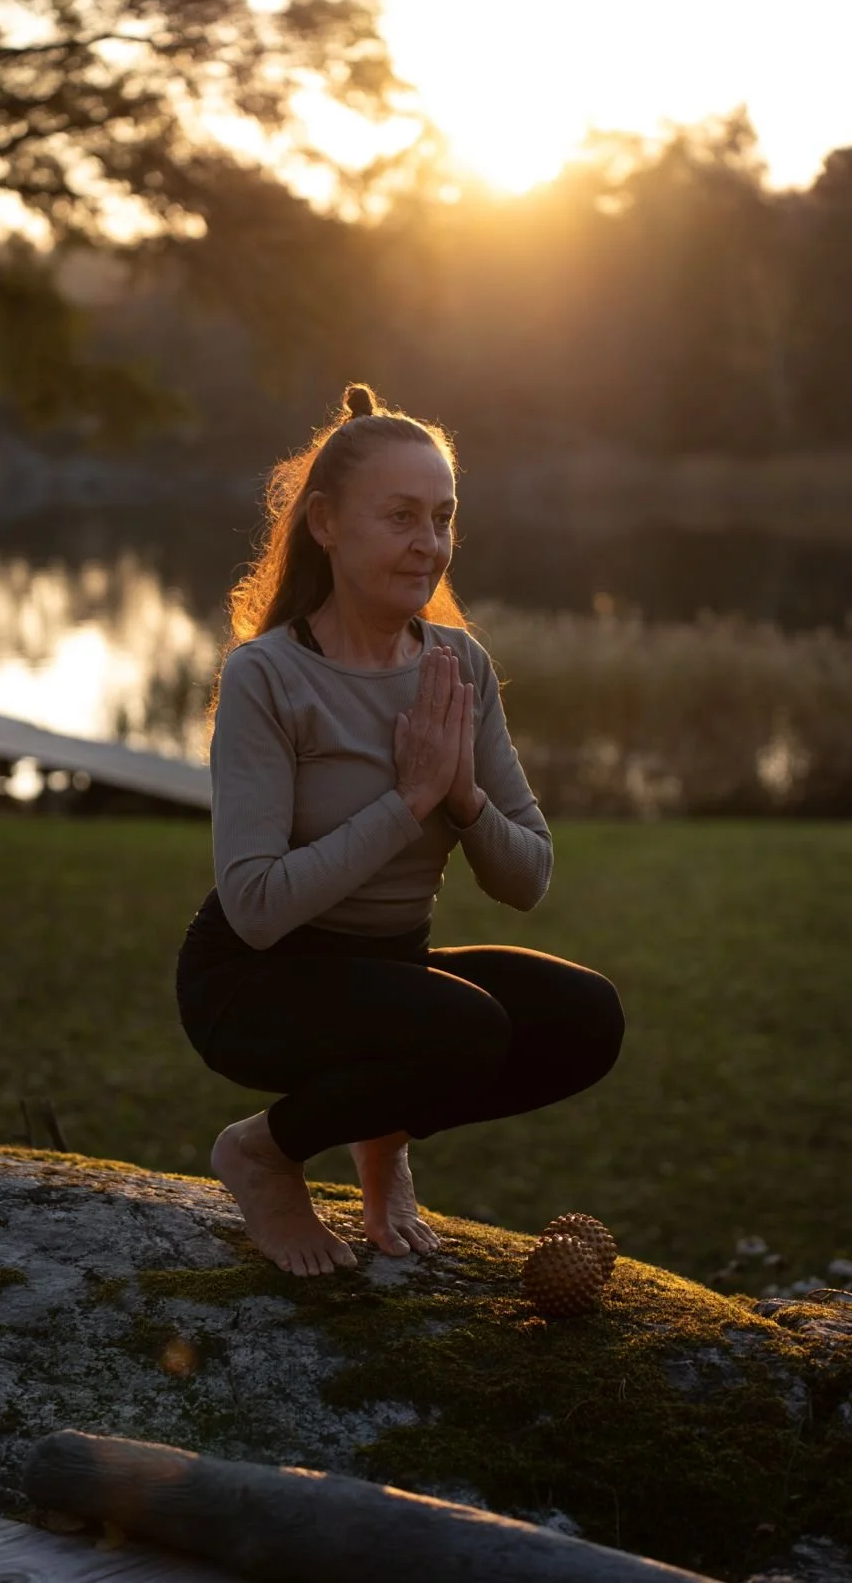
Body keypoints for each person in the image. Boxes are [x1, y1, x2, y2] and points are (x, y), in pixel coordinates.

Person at [175, 383, 624, 1279]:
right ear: (326, 525)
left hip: (390, 980)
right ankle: (263, 1153)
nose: (428, 544)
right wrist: (406, 804)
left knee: (584, 1018)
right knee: (461, 1029)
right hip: (254, 982)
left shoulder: (459, 665)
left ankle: (382, 1138)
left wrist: (459, 798)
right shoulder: (267, 677)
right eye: (401, 517)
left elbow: (527, 877)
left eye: (443, 518)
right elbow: (256, 906)